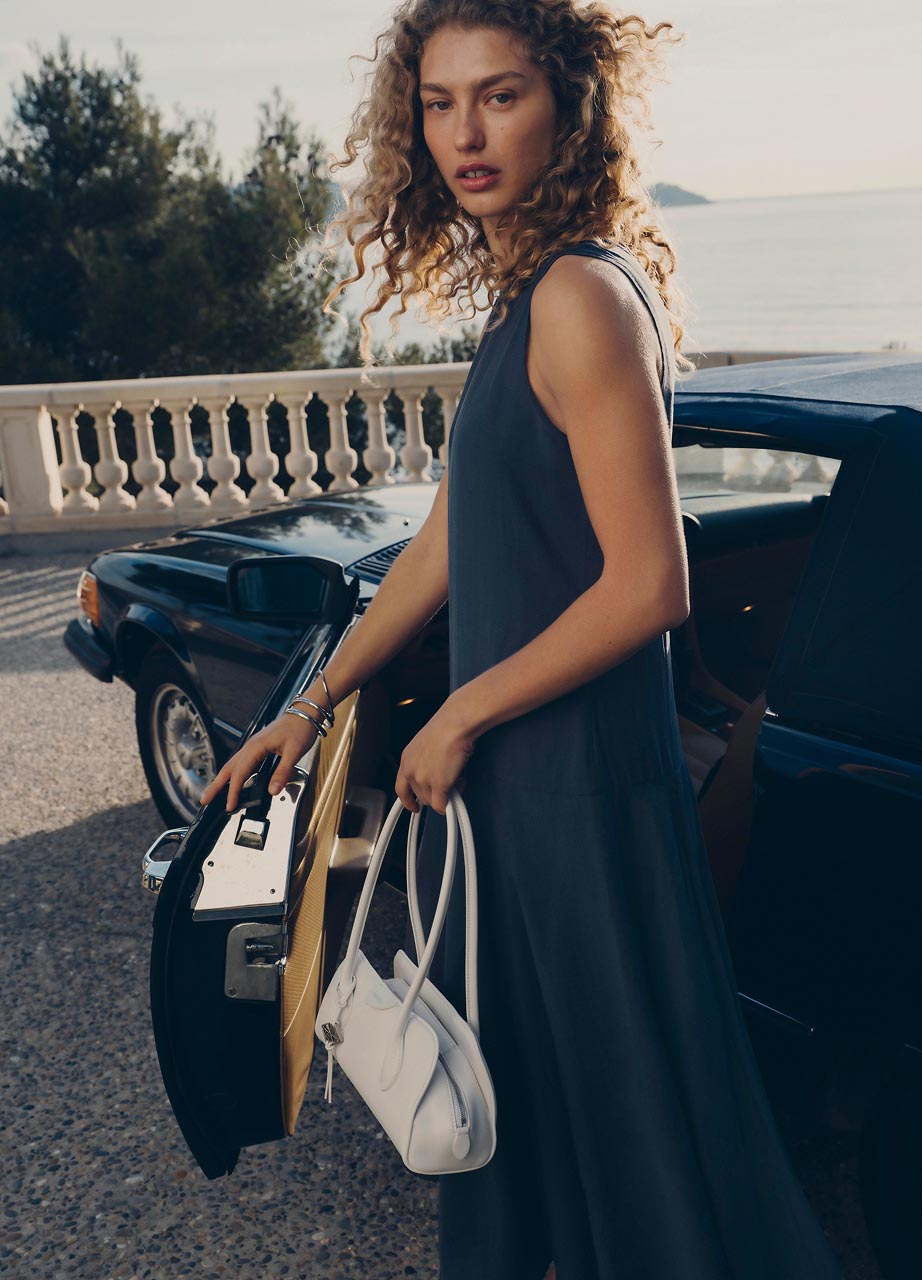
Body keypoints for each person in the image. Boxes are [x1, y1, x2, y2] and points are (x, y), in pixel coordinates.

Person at [202, 2, 846, 1277]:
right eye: (438, 103)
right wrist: (316, 699)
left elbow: (649, 584)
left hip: (576, 795)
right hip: (522, 793)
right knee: (531, 1113)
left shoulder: (577, 299)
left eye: (499, 95)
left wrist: (457, 713)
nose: (464, 133)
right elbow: (447, 540)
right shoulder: (527, 298)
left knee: (641, 1133)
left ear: (570, 104)